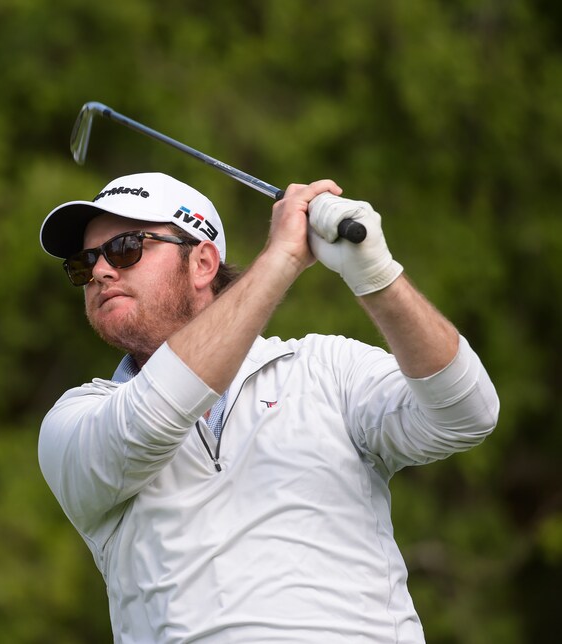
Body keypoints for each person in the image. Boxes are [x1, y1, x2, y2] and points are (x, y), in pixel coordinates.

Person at [36, 172, 499, 643]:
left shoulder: (326, 367)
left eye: (125, 249)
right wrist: (282, 258)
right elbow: (154, 415)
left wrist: (376, 275)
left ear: (202, 263)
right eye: (83, 263)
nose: (99, 272)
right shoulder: (76, 419)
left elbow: (467, 414)